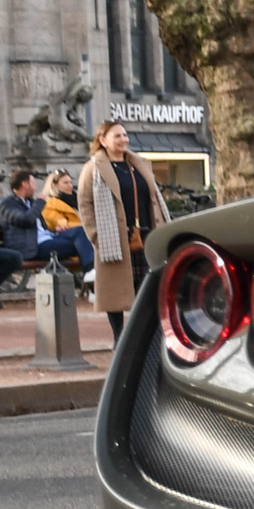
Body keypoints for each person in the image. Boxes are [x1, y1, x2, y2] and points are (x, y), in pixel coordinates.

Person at [81, 119, 167, 343]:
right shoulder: (93, 168)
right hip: (113, 237)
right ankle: (119, 339)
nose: (123, 140)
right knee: (114, 291)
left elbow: (153, 197)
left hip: (146, 232)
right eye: (117, 136)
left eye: (125, 135)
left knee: (147, 288)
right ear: (103, 140)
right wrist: (95, 235)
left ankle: (149, 337)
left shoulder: (138, 164)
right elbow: (85, 204)